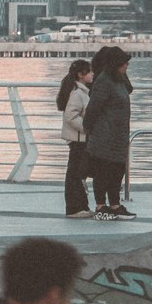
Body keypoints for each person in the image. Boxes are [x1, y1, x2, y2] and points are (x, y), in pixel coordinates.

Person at [83, 45, 135, 220]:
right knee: (103, 170)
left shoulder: (119, 80)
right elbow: (94, 107)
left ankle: (115, 204)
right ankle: (101, 205)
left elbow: (130, 88)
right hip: (104, 134)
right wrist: (89, 128)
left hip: (119, 135)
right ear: (116, 63)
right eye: (124, 63)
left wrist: (123, 74)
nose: (127, 66)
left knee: (117, 169)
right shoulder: (104, 81)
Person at [57, 58, 94, 218]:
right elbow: (71, 116)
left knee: (76, 173)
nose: (92, 74)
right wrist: (86, 128)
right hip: (79, 139)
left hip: (79, 138)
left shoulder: (79, 91)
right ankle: (74, 208)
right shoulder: (78, 93)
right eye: (89, 72)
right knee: (75, 174)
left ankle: (80, 207)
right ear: (80, 75)